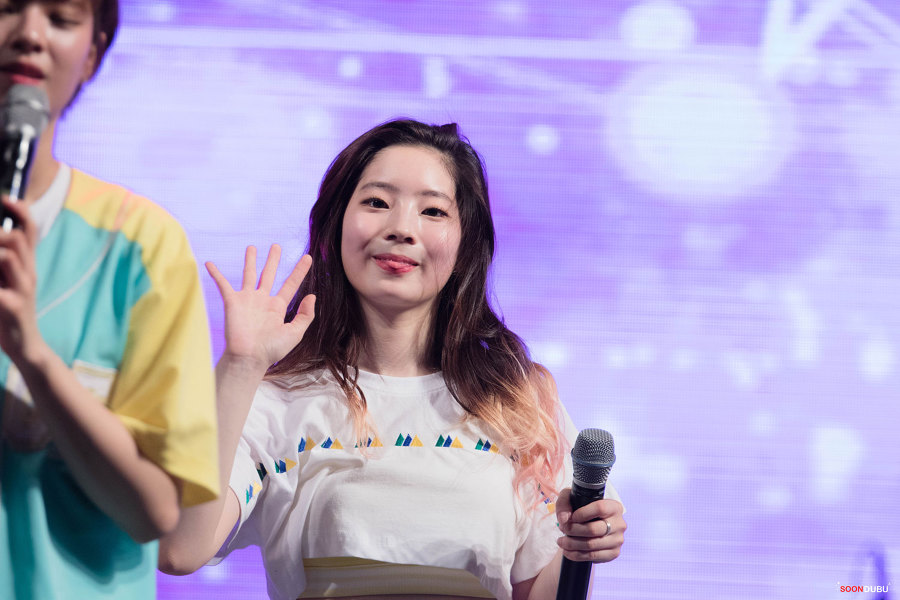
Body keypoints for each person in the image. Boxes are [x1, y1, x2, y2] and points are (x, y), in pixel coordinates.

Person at [158, 119, 626, 600]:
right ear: (336, 224)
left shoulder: (516, 404)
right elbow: (179, 551)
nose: (402, 229)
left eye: (433, 211)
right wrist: (240, 366)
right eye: (377, 202)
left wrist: (580, 549)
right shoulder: (276, 401)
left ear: (465, 244)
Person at [0, 2, 219, 599]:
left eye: (61, 17)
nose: (30, 35)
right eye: (8, 8)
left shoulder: (142, 245)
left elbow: (155, 512)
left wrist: (33, 357)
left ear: (92, 54)